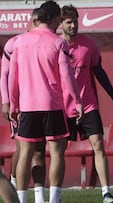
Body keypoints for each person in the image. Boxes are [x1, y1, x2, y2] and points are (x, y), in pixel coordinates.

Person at [8, 1, 83, 203]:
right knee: (57, 152)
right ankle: (54, 199)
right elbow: (67, 76)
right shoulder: (59, 42)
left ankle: (21, 200)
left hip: (28, 105)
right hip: (52, 105)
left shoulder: (19, 42)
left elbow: (12, 76)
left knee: (25, 153)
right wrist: (76, 101)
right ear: (55, 19)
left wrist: (14, 105)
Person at [60, 5, 113, 203]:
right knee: (58, 151)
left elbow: (100, 73)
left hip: (88, 105)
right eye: (68, 22)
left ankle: (106, 192)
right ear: (61, 24)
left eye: (75, 21)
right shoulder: (55, 46)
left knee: (98, 145)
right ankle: (56, 195)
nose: (73, 25)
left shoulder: (89, 45)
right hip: (63, 107)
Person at [0, 8, 47, 203]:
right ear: (33, 20)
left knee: (39, 151)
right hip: (21, 106)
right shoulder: (14, 43)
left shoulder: (48, 42)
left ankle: (40, 198)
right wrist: (6, 102)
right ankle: (15, 191)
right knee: (23, 150)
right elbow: (4, 74)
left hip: (42, 105)